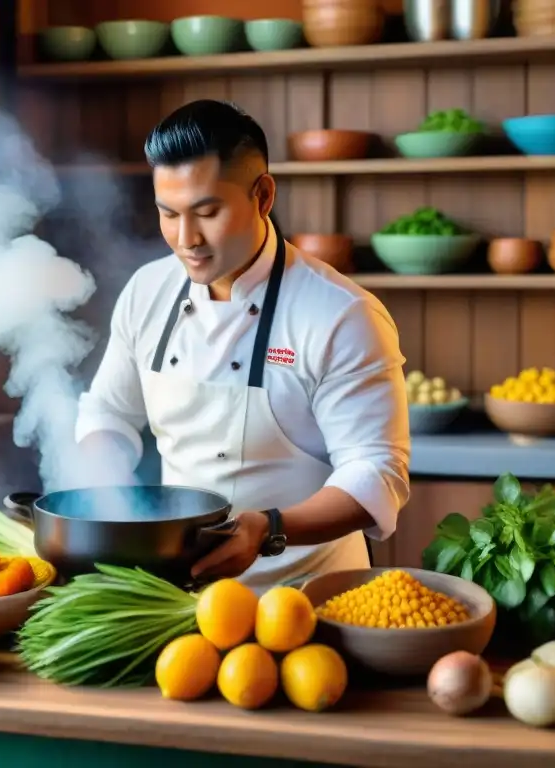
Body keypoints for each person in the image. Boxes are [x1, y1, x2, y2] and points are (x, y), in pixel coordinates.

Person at [74, 99, 410, 592]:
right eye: (168, 214)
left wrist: (270, 529)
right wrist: (109, 502)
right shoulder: (147, 292)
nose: (186, 238)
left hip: (310, 599)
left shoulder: (341, 314)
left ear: (264, 196)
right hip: (179, 599)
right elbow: (108, 412)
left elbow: (376, 472)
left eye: (207, 212)